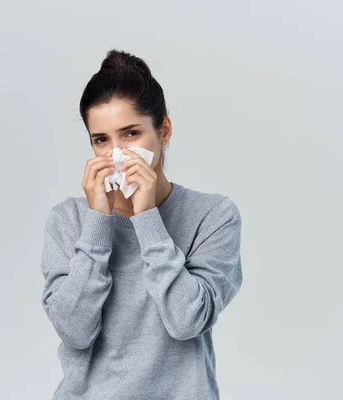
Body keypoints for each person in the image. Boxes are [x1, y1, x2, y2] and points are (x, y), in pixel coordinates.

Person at [40, 48, 243, 400]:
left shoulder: (213, 216)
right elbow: (74, 331)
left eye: (131, 134)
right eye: (101, 140)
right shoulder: (69, 219)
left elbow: (186, 321)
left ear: (163, 130)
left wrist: (146, 217)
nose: (116, 154)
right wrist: (99, 221)